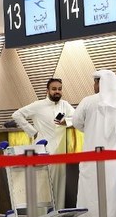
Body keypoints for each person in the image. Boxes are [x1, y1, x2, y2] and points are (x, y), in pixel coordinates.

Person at [72, 70, 116, 217]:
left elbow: (76, 122)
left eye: (95, 82)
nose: (94, 86)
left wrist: (91, 128)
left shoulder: (88, 101)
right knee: (114, 194)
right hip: (115, 160)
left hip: (92, 156)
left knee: (91, 192)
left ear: (100, 83)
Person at [12, 78, 75, 209]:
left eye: (59, 89)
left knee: (59, 186)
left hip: (60, 152)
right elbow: (17, 115)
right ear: (47, 91)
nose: (57, 92)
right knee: (43, 188)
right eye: (54, 89)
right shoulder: (38, 105)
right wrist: (32, 131)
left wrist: (67, 122)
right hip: (43, 150)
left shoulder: (65, 105)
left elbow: (77, 118)